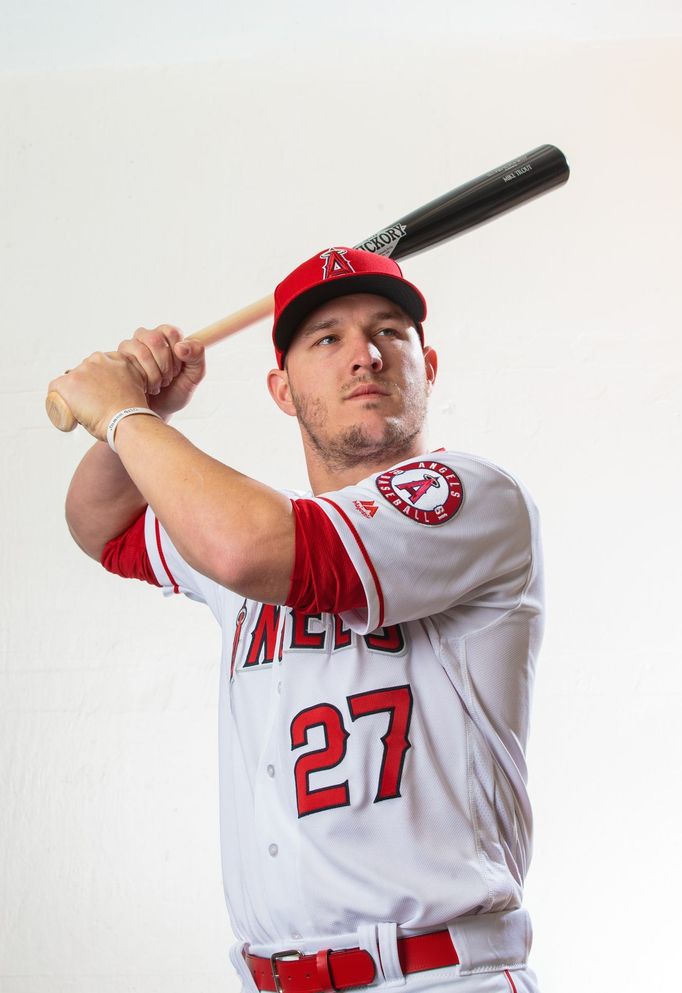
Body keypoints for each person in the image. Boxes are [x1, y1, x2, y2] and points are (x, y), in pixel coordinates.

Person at [52, 247, 544, 993]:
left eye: (390, 331)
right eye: (327, 339)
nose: (365, 355)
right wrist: (142, 414)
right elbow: (102, 525)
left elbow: (251, 546)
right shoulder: (253, 522)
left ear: (429, 365)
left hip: (440, 975)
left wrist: (121, 413)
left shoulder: (472, 497)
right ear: (282, 389)